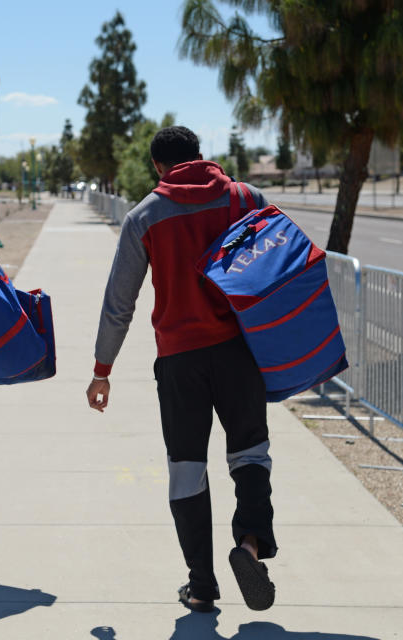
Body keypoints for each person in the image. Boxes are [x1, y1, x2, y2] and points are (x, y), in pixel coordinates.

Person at [85, 126, 278, 612]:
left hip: (179, 360)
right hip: (240, 351)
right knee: (250, 453)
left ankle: (201, 585)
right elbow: (284, 266)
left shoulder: (144, 216)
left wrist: (102, 368)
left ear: (157, 166)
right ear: (199, 156)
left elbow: (118, 303)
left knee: (187, 470)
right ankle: (250, 546)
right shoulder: (246, 196)